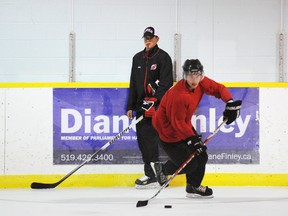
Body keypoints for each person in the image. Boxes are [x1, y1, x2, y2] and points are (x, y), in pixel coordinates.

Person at [152, 59, 241, 198]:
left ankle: (193, 186)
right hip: (167, 130)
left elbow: (219, 89)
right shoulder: (178, 95)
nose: (194, 79)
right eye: (190, 75)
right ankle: (162, 170)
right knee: (190, 164)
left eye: (197, 75)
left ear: (201, 75)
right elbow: (177, 123)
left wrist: (229, 102)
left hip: (182, 124)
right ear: (185, 75)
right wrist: (192, 140)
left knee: (202, 155)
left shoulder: (201, 83)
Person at [126, 26, 173, 189]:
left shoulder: (163, 57)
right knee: (143, 141)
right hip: (141, 107)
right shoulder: (137, 58)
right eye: (145, 38)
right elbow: (133, 83)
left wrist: (154, 100)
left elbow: (167, 83)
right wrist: (130, 106)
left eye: (151, 38)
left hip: (157, 108)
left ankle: (156, 175)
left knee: (153, 140)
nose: (148, 40)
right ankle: (152, 174)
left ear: (157, 39)